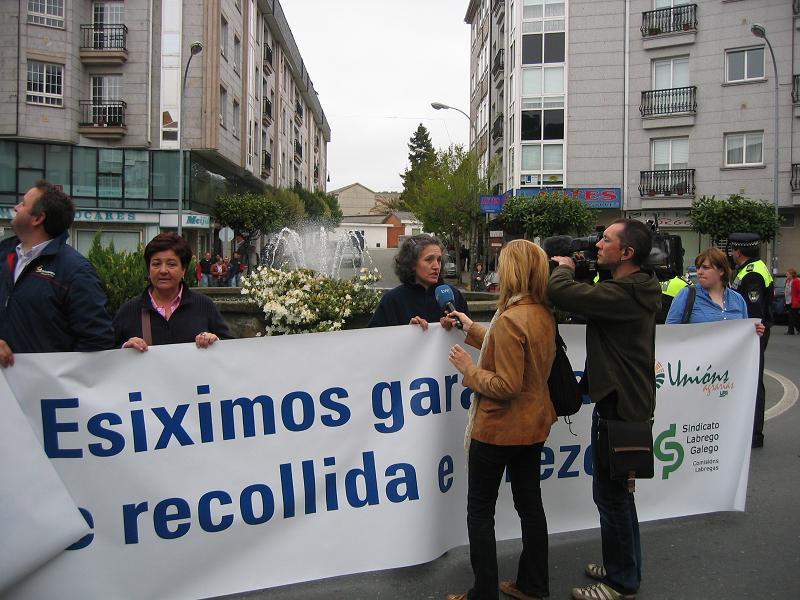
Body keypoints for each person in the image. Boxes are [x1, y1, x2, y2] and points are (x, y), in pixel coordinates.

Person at [547, 219, 661, 600]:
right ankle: (621, 567)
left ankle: (621, 582)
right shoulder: (633, 287)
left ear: (626, 252)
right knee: (618, 497)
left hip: (620, 408)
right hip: (623, 402)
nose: (597, 244)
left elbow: (563, 293)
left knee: (613, 499)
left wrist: (564, 268)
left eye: (606, 240)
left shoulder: (625, 293)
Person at [444, 240, 556, 600]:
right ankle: (533, 585)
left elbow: (505, 385)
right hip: (533, 426)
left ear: (512, 271)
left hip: (497, 430)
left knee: (480, 512)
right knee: (530, 506)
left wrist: (468, 369)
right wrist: (470, 327)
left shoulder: (509, 319)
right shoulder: (541, 312)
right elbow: (508, 350)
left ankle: (483, 593)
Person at [0, 180, 114, 367]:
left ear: (37, 218)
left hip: (42, 385)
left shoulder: (76, 272)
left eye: (23, 204)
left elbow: (97, 341)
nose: (16, 207)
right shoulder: (4, 255)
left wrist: (53, 376)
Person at [114, 233, 232, 350]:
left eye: (171, 264)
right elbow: (108, 352)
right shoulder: (129, 310)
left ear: (183, 269)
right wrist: (125, 348)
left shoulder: (203, 305)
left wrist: (215, 341)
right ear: (148, 268)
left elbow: (231, 347)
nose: (163, 270)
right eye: (156, 264)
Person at [728, 232, 773, 448]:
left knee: (753, 382)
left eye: (732, 250)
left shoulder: (752, 274)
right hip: (755, 333)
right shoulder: (754, 268)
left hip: (753, 334)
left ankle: (754, 434)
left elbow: (753, 312)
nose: (731, 253)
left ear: (738, 251)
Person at [368, 234, 469, 328]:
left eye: (439, 260)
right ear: (412, 263)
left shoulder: (454, 295)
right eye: (429, 260)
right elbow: (375, 337)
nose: (436, 266)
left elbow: (469, 336)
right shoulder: (393, 300)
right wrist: (406, 332)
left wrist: (455, 327)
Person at [666, 248, 765, 339]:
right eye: (698, 267)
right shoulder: (687, 294)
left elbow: (743, 335)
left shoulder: (738, 299)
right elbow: (669, 333)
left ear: (721, 271)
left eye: (705, 267)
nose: (699, 272)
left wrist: (754, 331)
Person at [786, 268, 798, 335]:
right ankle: (792, 330)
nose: (786, 275)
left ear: (791, 275)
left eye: (788, 274)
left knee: (792, 317)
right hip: (788, 301)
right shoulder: (787, 281)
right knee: (793, 317)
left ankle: (791, 331)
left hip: (794, 302)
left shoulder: (796, 281)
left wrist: (797, 300)